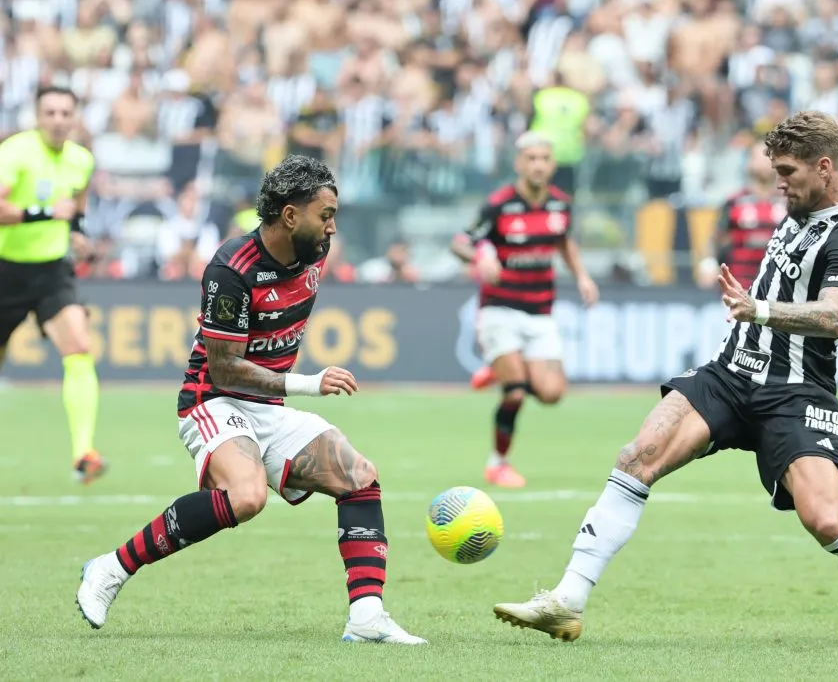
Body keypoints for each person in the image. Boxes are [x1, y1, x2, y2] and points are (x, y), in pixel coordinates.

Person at [493, 112, 838, 650]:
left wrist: (757, 309)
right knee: (638, 455)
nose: (778, 183)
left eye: (787, 172)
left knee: (826, 521)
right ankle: (567, 600)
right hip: (732, 373)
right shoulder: (835, 205)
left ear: (824, 168)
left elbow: (832, 316)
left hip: (797, 391)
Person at [76, 155, 425, 646]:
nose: (332, 226)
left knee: (359, 478)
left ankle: (367, 616)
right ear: (289, 215)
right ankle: (111, 568)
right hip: (212, 401)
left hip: (265, 407)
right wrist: (309, 382)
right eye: (324, 214)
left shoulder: (316, 250)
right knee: (247, 496)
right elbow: (224, 367)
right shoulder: (230, 269)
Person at [450, 132, 599, 489]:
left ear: (552, 164)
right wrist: (480, 258)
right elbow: (460, 242)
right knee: (515, 392)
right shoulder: (499, 204)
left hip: (540, 312)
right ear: (519, 163)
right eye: (530, 158)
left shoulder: (560, 205)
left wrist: (582, 276)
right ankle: (498, 462)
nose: (537, 164)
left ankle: (500, 368)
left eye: (543, 158)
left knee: (551, 394)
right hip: (500, 308)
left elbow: (564, 241)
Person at [0, 86, 105, 483]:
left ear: (74, 118)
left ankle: (84, 453)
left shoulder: (81, 160)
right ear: (38, 117)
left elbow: (76, 206)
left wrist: (77, 232)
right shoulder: (14, 153)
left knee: (79, 346)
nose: (59, 120)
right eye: (51, 112)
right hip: (5, 268)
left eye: (66, 113)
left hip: (50, 271)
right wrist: (43, 213)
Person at [697, 140, 788, 290]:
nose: (764, 161)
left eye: (769, 156)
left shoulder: (790, 203)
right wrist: (708, 262)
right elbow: (715, 238)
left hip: (778, 291)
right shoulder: (735, 201)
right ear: (748, 163)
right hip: (740, 288)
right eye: (758, 156)